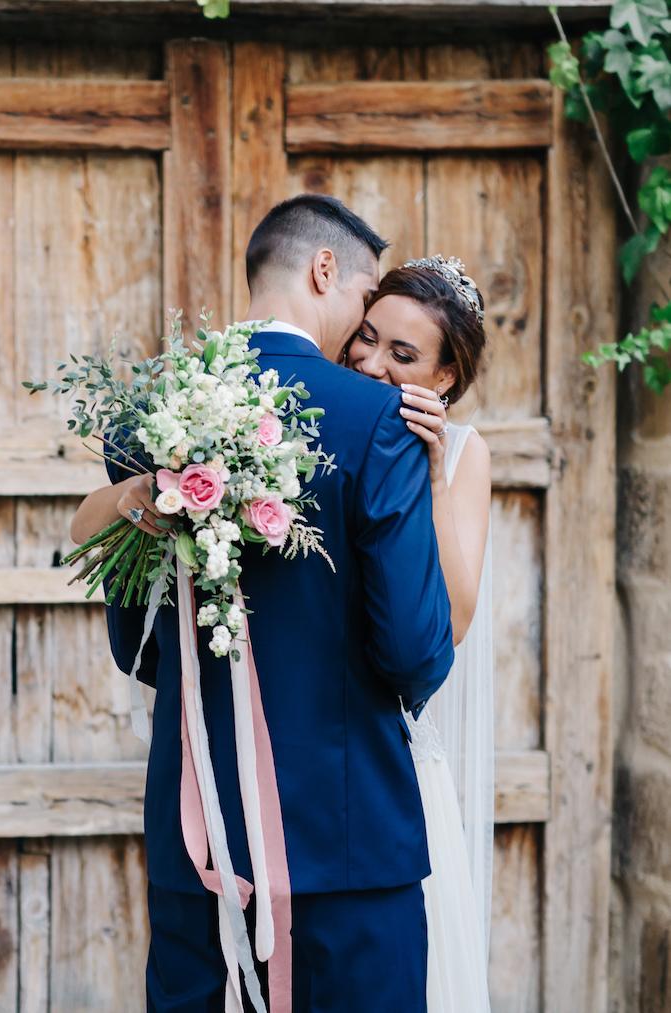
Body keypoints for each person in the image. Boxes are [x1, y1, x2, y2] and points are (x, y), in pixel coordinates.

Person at [70, 194, 455, 1012]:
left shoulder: (157, 419)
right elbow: (414, 652)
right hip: (351, 851)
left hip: (197, 845)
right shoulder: (378, 423)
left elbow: (134, 646)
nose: (360, 340)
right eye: (361, 305)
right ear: (325, 270)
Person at [347, 255, 493, 1011]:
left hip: (398, 748)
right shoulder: (336, 420)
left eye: (402, 356)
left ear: (442, 380)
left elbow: (455, 620)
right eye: (365, 338)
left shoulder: (466, 456)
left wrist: (433, 476)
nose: (370, 363)